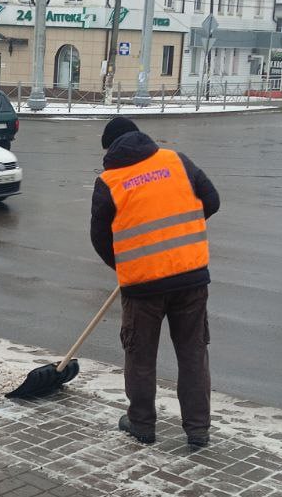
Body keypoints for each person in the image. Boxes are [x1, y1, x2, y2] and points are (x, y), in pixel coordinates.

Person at [90, 117, 220, 448]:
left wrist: (124, 264)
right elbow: (212, 200)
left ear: (111, 148)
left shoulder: (109, 180)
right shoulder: (177, 160)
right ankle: (198, 429)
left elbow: (100, 238)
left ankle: (142, 424)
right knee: (192, 353)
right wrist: (178, 233)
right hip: (190, 278)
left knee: (141, 356)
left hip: (143, 286)